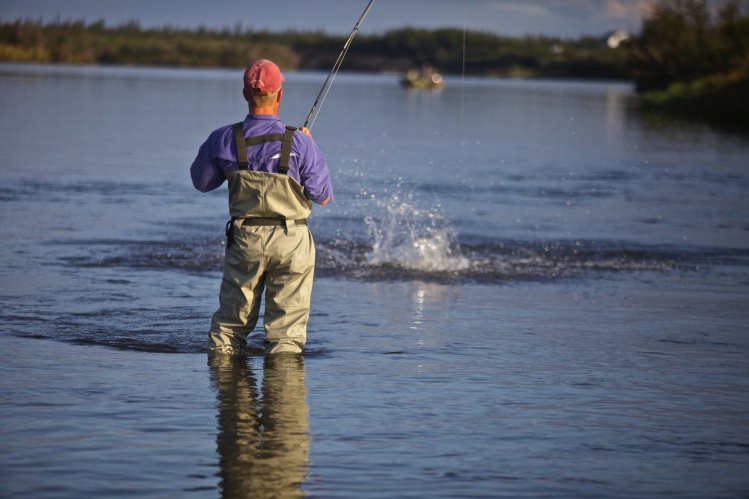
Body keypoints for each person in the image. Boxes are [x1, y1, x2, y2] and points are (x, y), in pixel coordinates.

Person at [191, 59, 333, 355]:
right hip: (292, 242)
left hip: (245, 240)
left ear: (245, 93)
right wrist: (308, 146)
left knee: (229, 326)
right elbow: (322, 196)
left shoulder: (223, 138)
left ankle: (227, 392)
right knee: (287, 335)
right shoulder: (301, 143)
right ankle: (283, 394)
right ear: (280, 94)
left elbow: (202, 183)